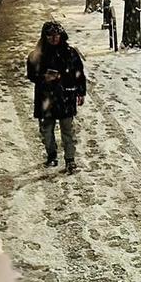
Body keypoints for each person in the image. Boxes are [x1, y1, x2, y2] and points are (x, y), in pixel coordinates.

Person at [26, 22, 87, 172]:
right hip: (45, 96)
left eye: (56, 35)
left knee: (67, 130)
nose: (54, 39)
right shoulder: (36, 55)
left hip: (65, 95)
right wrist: (44, 77)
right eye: (50, 36)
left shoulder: (70, 53)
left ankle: (70, 159)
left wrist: (80, 91)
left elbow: (79, 73)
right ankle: (51, 155)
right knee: (47, 130)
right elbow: (32, 75)